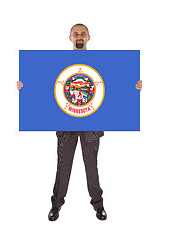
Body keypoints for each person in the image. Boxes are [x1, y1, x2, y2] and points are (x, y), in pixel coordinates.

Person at [17, 23, 142, 221]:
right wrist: (26, 86)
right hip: (66, 123)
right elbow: (43, 85)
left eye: (82, 33)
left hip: (91, 124)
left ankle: (98, 205)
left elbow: (114, 86)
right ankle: (56, 205)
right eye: (76, 34)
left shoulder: (101, 63)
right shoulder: (58, 64)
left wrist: (132, 86)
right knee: (63, 165)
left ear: (89, 37)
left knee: (91, 166)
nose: (79, 36)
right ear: (70, 38)